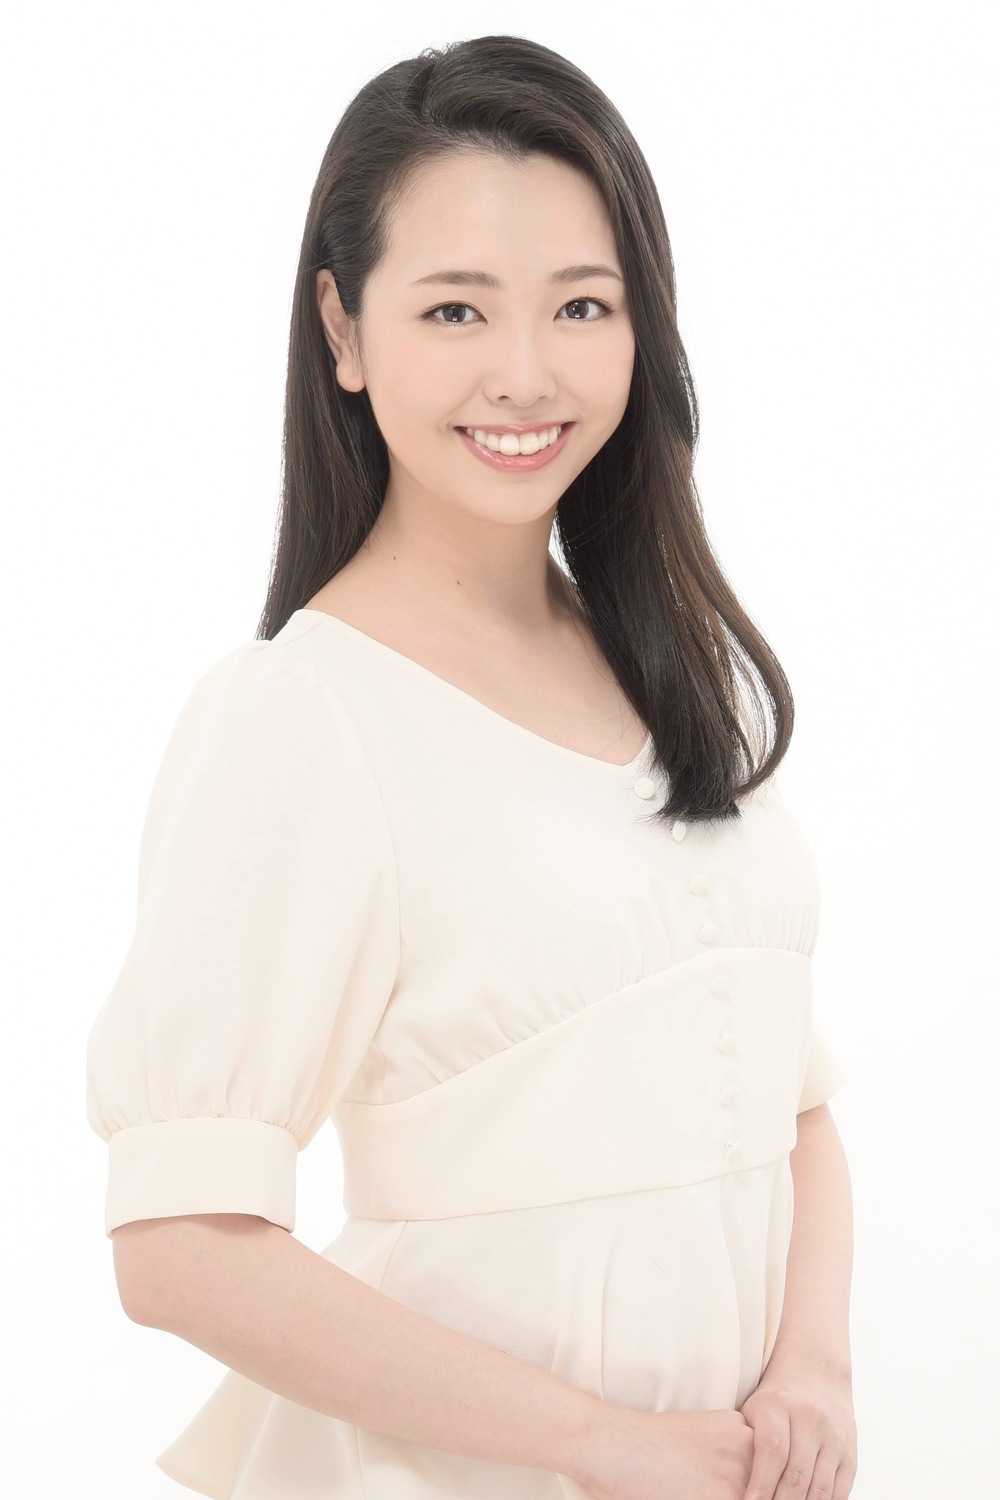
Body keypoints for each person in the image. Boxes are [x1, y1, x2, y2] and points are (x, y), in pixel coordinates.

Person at [85, 33, 858, 1500]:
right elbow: (178, 1249)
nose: (525, 373)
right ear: (343, 327)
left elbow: (789, 1100)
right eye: (455, 308)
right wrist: (607, 1447)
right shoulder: (304, 716)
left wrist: (812, 1375)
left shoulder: (668, 668)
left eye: (582, 305)